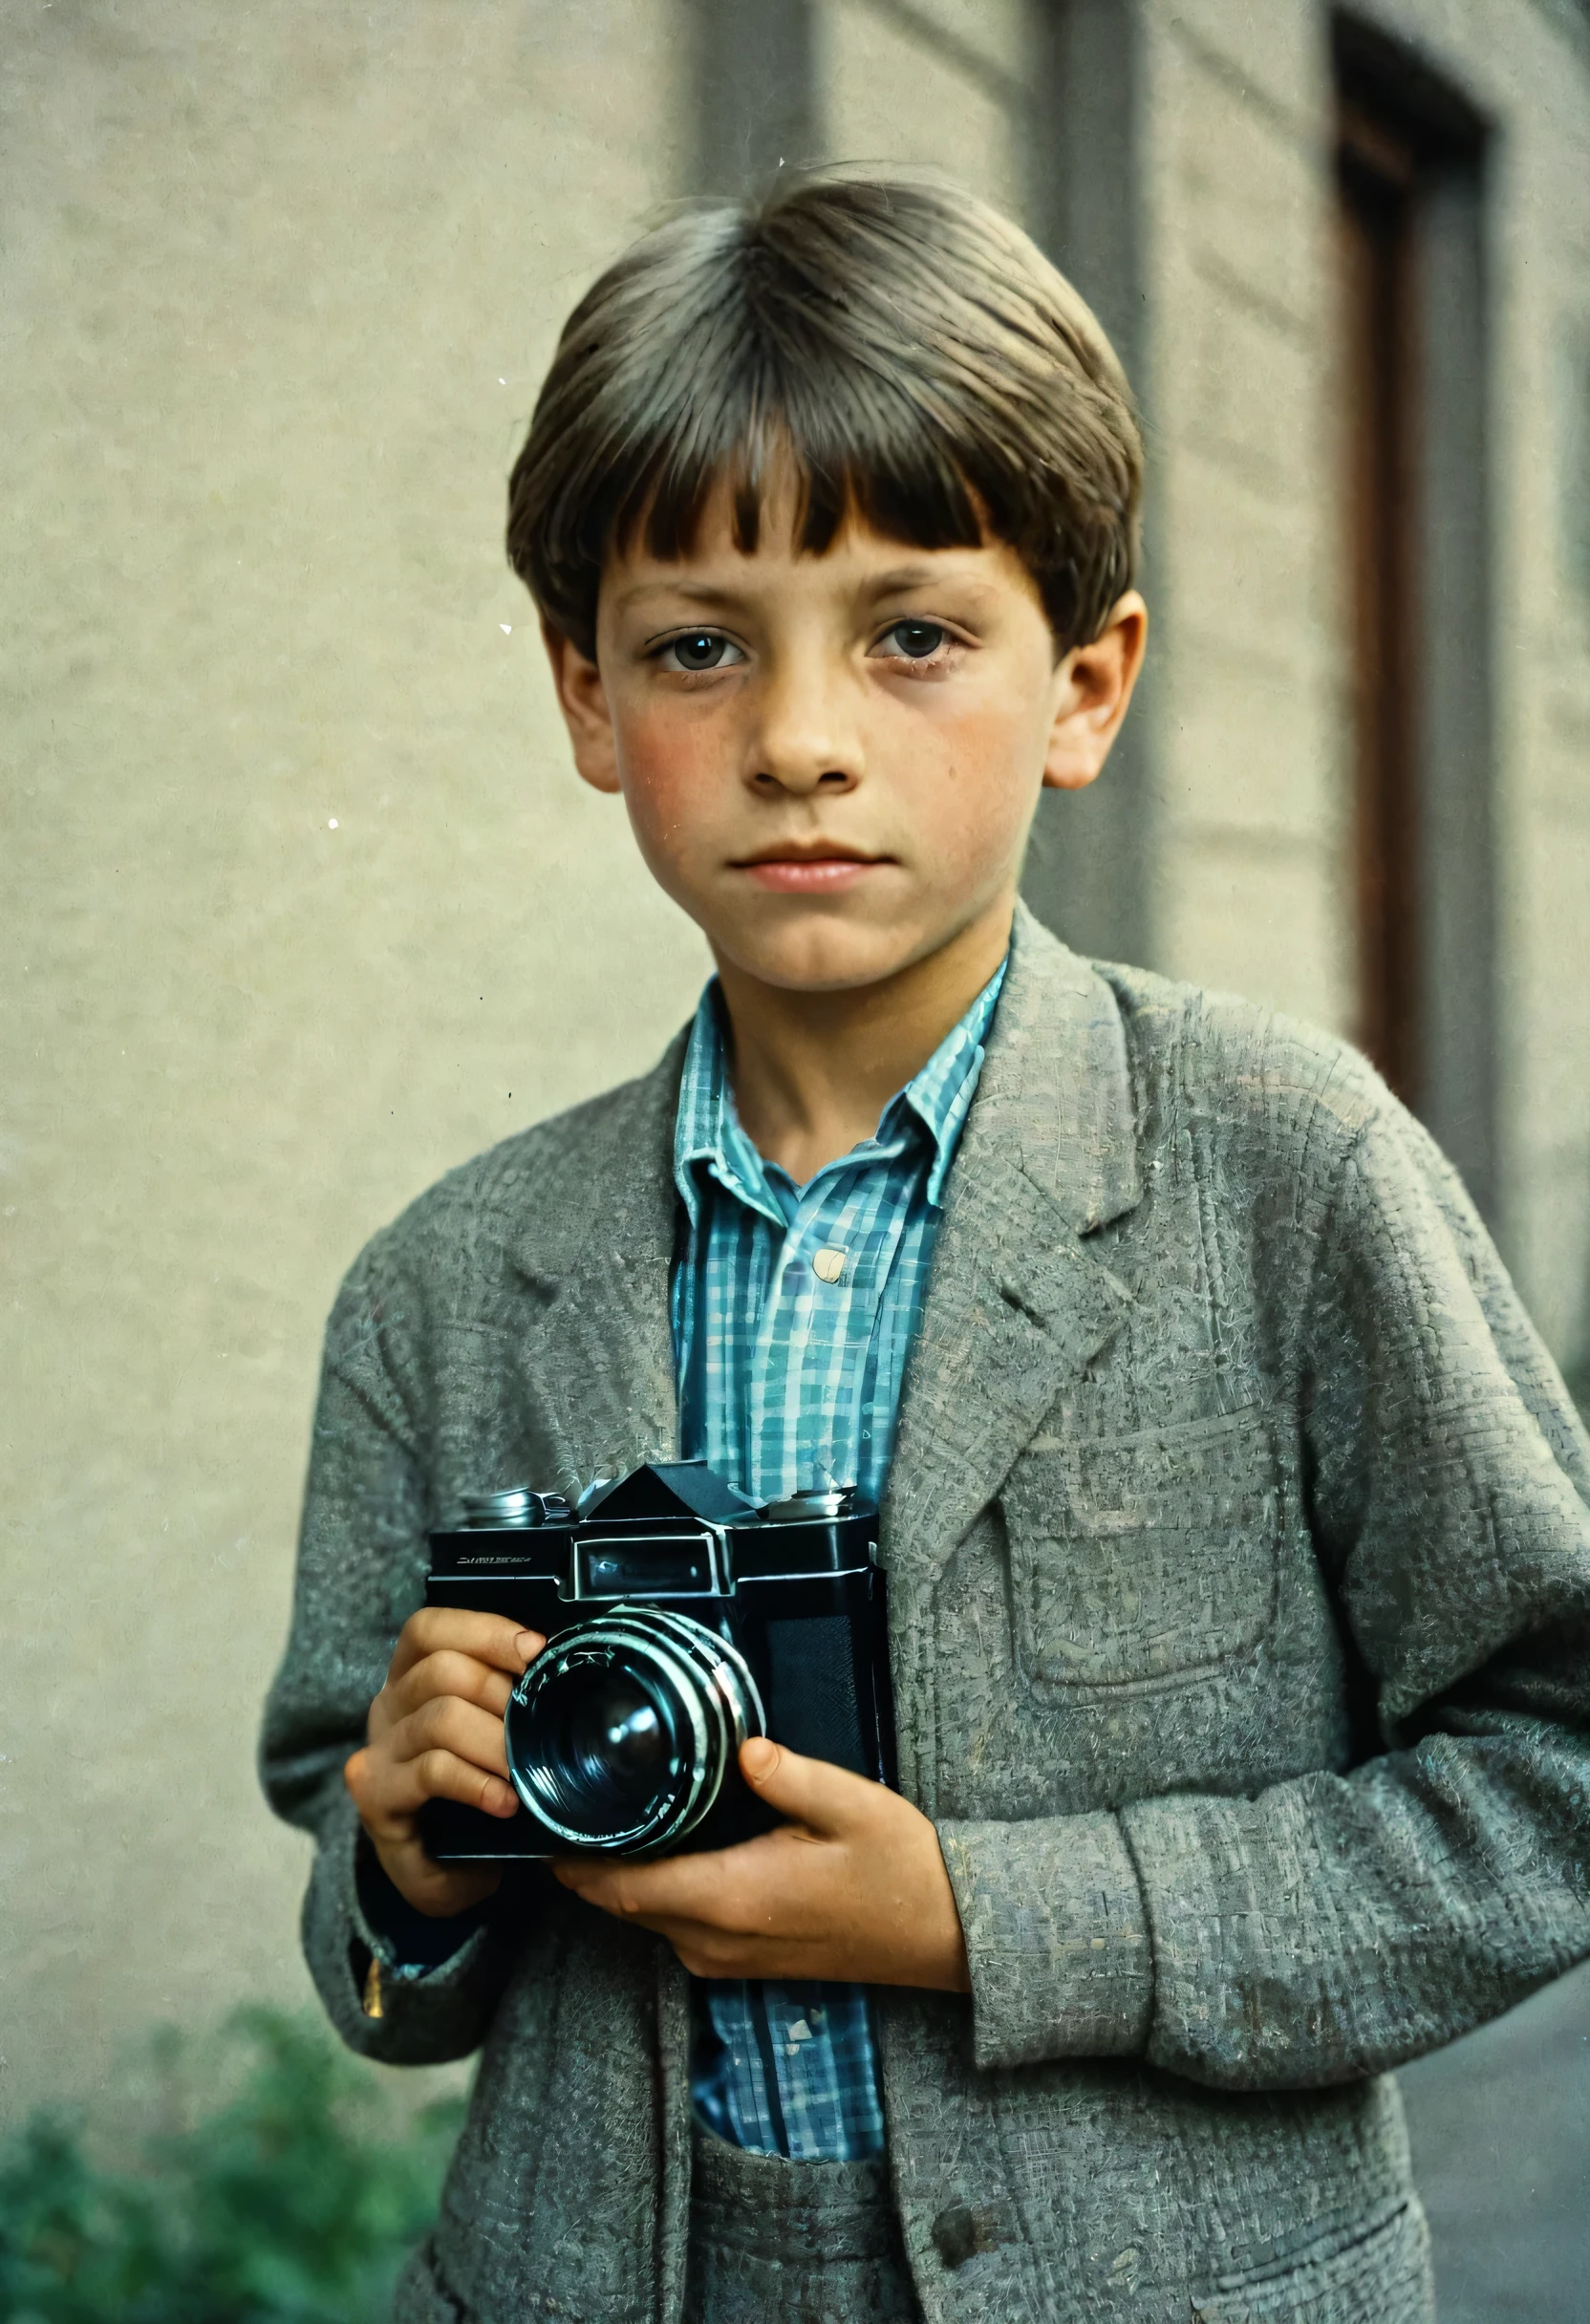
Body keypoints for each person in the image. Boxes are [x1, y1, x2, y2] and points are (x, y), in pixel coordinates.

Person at [260, 174, 1590, 2324]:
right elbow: (372, 1917)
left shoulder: (1278, 1161)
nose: (799, 736)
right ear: (587, 695)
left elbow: (1557, 1762)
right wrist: (406, 1857)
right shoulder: (450, 1278)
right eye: (698, 645)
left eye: (910, 635)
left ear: (1083, 683)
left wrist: (986, 1913)